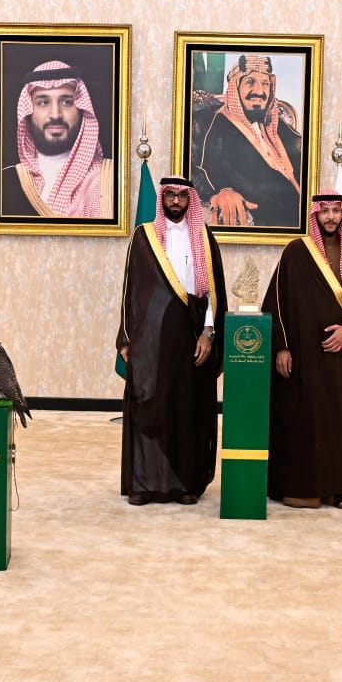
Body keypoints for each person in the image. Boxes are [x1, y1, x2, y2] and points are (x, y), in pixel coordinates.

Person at [261, 191, 342, 509]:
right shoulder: (296, 252)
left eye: (336, 211)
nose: (330, 216)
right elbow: (277, 301)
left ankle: (336, 488)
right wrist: (281, 347)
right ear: (315, 215)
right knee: (304, 419)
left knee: (341, 419)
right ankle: (299, 485)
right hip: (304, 357)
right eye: (324, 211)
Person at [116, 177, 227, 505]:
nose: (176, 201)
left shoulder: (204, 237)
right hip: (150, 336)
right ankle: (143, 483)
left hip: (191, 334)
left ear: (190, 200)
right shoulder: (145, 236)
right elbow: (131, 289)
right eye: (170, 195)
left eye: (181, 196)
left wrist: (208, 333)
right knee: (149, 405)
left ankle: (185, 483)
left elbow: (213, 293)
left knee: (187, 407)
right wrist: (126, 338)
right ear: (162, 198)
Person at [195, 55, 302, 228]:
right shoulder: (218, 124)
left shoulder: (280, 127)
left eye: (265, 83)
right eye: (250, 82)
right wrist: (220, 192)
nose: (259, 91)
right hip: (265, 219)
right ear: (235, 87)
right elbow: (200, 167)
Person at [1, 60, 113, 218]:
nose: (55, 114)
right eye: (43, 102)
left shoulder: (107, 180)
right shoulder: (6, 182)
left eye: (66, 102)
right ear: (29, 112)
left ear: (81, 110)